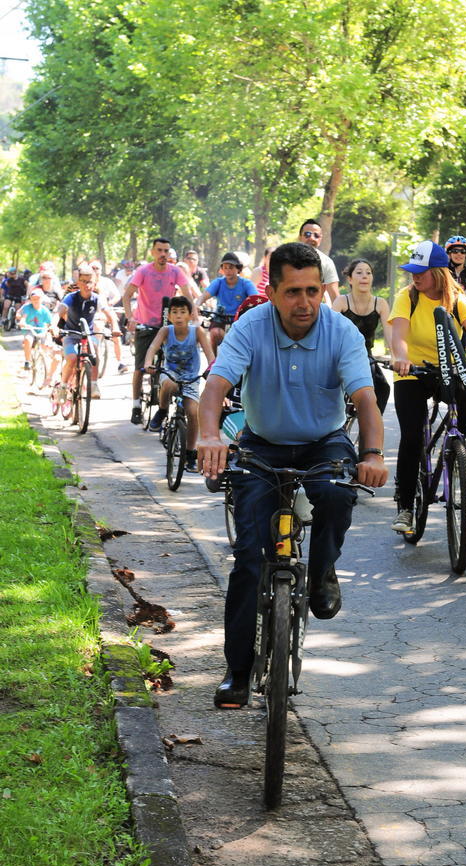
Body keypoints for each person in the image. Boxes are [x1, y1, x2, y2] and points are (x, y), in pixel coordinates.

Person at [198, 242, 388, 708]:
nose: (304, 303)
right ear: (274, 292)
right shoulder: (250, 326)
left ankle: (322, 572)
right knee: (247, 558)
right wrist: (208, 437)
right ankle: (237, 672)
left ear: (323, 289)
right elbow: (217, 386)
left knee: (338, 494)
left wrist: (375, 454)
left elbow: (365, 400)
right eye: (292, 293)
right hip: (262, 443)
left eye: (312, 291)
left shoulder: (342, 331)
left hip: (324, 440)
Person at [389, 240, 466, 534]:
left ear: (439, 272)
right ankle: (406, 507)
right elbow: (399, 336)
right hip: (413, 372)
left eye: (422, 272)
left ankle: (451, 447)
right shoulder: (407, 297)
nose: (415, 277)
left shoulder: (457, 299)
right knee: (411, 437)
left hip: (449, 368)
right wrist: (402, 359)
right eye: (412, 272)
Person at [121, 238, 196, 424]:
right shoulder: (143, 271)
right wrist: (131, 317)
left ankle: (169, 398)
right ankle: (136, 405)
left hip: (167, 325)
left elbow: (187, 294)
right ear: (153, 252)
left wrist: (193, 314)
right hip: (145, 324)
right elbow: (127, 295)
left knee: (174, 363)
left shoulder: (175, 271)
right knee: (140, 366)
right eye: (160, 250)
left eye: (166, 251)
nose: (163, 254)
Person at [143, 297, 215, 472]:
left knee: (193, 412)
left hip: (191, 377)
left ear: (190, 315)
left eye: (183, 312)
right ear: (169, 315)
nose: (179, 316)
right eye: (174, 312)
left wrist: (213, 370)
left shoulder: (197, 331)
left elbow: (210, 354)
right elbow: (153, 347)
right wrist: (148, 363)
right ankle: (162, 410)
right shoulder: (166, 331)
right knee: (168, 384)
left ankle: (190, 453)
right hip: (171, 373)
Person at [332, 258, 392, 414]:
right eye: (359, 273)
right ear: (350, 279)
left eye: (368, 273)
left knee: (382, 388)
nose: (364, 276)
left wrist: (395, 356)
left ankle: (370, 429)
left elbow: (390, 333)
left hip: (366, 356)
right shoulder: (341, 302)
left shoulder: (380, 304)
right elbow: (329, 332)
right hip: (341, 355)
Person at [53, 264, 121, 401]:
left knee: (95, 351)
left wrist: (115, 327)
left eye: (89, 281)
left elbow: (110, 314)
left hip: (88, 335)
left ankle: (94, 384)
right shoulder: (71, 297)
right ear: (78, 282)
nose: (86, 285)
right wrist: (54, 325)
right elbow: (59, 312)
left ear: (94, 282)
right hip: (71, 334)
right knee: (72, 358)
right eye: (83, 281)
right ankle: (63, 387)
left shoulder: (97, 298)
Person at [199, 252, 258, 355]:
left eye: (231, 267)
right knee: (215, 333)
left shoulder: (246, 284)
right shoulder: (218, 282)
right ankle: (213, 361)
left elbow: (255, 299)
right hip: (220, 317)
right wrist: (197, 305)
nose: (228, 271)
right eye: (225, 267)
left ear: (238, 269)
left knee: (241, 340)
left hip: (239, 319)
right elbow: (204, 296)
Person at [89, 259, 128, 374]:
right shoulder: (86, 282)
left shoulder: (107, 282)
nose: (95, 271)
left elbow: (116, 296)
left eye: (97, 268)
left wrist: (109, 304)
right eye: (93, 268)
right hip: (90, 313)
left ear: (101, 270)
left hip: (105, 311)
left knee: (115, 332)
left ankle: (120, 362)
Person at [297, 219, 339, 302]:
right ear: (300, 237)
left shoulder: (327, 262)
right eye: (307, 234)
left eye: (316, 235)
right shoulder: (287, 258)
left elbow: (334, 296)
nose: (312, 238)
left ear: (320, 239)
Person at [16, 287, 52, 371]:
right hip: (30, 329)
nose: (36, 300)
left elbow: (49, 323)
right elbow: (23, 318)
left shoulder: (45, 310)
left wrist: (51, 328)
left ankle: (45, 361)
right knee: (28, 340)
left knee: (47, 344)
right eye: (33, 299)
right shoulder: (28, 308)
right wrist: (23, 323)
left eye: (38, 298)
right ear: (30, 300)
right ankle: (27, 361)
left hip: (41, 329)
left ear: (41, 299)